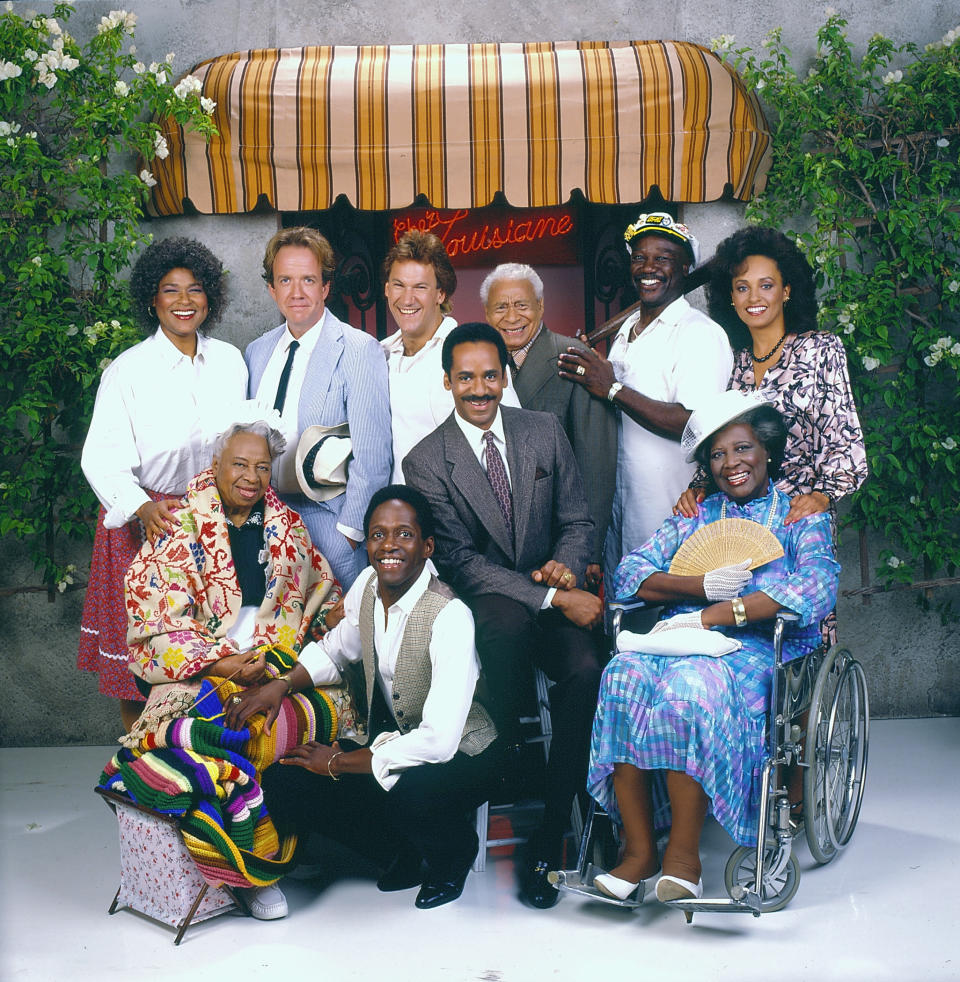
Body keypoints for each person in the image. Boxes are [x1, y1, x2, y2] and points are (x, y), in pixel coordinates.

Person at [587, 391, 839, 904]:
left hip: (760, 647)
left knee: (689, 686)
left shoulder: (799, 514)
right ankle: (638, 852)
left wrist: (723, 612)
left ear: (767, 449)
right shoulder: (695, 514)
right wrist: (698, 586)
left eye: (743, 449)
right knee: (621, 677)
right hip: (682, 634)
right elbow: (630, 574)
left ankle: (683, 858)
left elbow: (817, 586)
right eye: (718, 455)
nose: (732, 464)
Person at [403, 322, 604, 909]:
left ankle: (550, 836)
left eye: (490, 375)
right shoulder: (426, 461)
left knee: (587, 668)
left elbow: (578, 520)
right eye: (466, 377)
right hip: (494, 606)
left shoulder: (541, 431)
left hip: (553, 590)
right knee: (503, 624)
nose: (479, 388)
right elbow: (462, 564)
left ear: (506, 376)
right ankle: (513, 750)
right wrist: (550, 597)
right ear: (447, 381)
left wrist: (566, 569)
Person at [227, 485, 500, 913]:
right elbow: (338, 647)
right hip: (395, 740)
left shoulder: (450, 616)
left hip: (464, 752)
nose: (389, 545)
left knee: (411, 791)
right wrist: (280, 685)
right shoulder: (371, 584)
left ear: (427, 546)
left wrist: (338, 762)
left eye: (404, 534)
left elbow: (439, 742)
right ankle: (400, 852)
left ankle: (453, 855)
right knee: (289, 779)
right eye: (378, 534)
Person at [79, 237, 248, 731]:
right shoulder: (129, 371)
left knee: (205, 650)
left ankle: (195, 765)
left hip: (211, 523)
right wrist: (140, 508)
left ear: (209, 299)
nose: (183, 301)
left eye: (195, 290)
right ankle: (140, 772)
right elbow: (101, 457)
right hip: (144, 523)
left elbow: (244, 443)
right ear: (151, 299)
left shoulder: (231, 362)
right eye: (170, 290)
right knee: (143, 661)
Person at [556, 212, 733, 589]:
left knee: (664, 623)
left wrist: (613, 389)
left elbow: (694, 423)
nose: (648, 268)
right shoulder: (626, 333)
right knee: (622, 620)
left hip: (669, 513)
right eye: (640, 258)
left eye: (663, 259)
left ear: (686, 268)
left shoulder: (699, 335)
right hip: (620, 508)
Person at [125, 420, 341, 693]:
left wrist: (328, 618)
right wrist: (220, 660)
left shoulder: (290, 528)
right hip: (205, 647)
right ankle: (219, 675)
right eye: (239, 464)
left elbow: (317, 592)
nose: (252, 477)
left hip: (271, 648)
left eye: (262, 467)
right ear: (216, 466)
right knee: (162, 646)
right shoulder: (178, 524)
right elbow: (159, 618)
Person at [675, 226, 868, 527]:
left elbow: (845, 442)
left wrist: (822, 496)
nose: (754, 297)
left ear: (786, 290)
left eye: (766, 285)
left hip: (798, 522)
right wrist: (698, 486)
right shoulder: (732, 361)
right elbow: (715, 439)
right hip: (737, 527)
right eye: (742, 287)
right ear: (731, 297)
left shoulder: (819, 349)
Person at [245, 226, 392, 590]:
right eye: (285, 280)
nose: (296, 293)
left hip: (328, 525)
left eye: (308, 280)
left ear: (325, 287)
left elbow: (373, 457)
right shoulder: (257, 352)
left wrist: (349, 533)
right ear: (271, 289)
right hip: (264, 521)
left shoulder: (359, 350)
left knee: (337, 640)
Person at [483, 263, 617, 585]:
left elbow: (596, 462)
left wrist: (591, 551)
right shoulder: (482, 365)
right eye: (501, 307)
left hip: (562, 541)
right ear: (487, 313)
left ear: (541, 306)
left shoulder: (574, 356)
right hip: (500, 543)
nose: (511, 317)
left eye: (522, 305)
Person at [382, 230, 519, 483]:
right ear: (387, 290)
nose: (407, 298)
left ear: (440, 293)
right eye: (399, 285)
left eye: (420, 287)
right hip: (399, 512)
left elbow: (512, 444)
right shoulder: (381, 354)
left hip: (455, 513)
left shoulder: (473, 355)